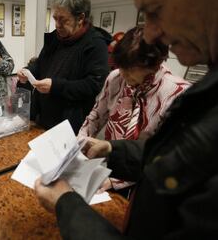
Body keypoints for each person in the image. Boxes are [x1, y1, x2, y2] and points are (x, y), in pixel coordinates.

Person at [35, 0, 218, 239]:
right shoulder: (117, 79)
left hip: (124, 184)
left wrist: (68, 203)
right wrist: (107, 147)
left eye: (156, 10)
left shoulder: (178, 93)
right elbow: (160, 154)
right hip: (113, 171)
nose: (153, 33)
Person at [79, 26, 190, 192]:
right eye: (121, 66)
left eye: (130, 69)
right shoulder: (115, 78)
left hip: (144, 180)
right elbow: (97, 115)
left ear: (154, 64)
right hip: (108, 163)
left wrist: (116, 181)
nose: (123, 74)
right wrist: (80, 142)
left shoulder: (176, 94)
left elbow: (164, 155)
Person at [17, 0, 110, 133]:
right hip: (44, 115)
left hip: (70, 122)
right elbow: (41, 63)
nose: (57, 25)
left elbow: (93, 85)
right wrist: (28, 71)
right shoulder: (55, 37)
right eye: (55, 19)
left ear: (80, 18)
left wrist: (55, 86)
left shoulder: (96, 44)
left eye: (63, 20)